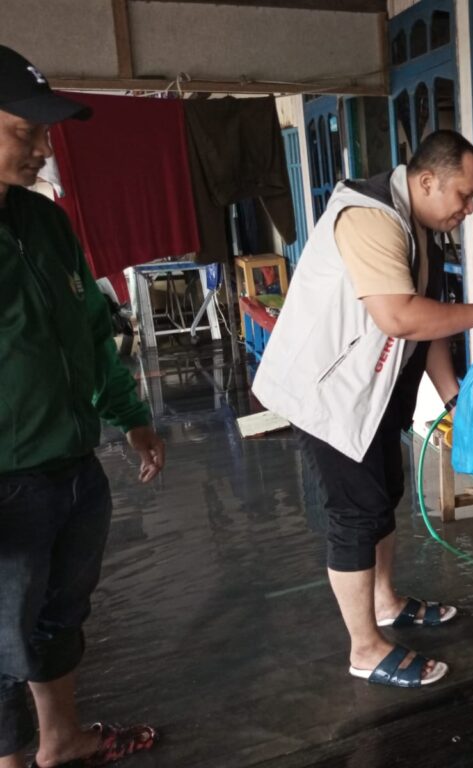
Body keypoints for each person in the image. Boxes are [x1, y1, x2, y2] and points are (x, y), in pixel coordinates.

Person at [253, 130, 473, 689]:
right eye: (465, 195)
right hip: (329, 395)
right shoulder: (370, 216)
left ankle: (385, 603)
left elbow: (429, 325)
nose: (469, 210)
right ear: (428, 181)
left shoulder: (423, 231)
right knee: (356, 514)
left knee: (384, 495)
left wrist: (453, 397)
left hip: (372, 393)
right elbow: (399, 317)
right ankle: (365, 648)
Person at [0, 46, 166, 768]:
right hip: (5, 482)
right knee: (0, 639)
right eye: (24, 130)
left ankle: (60, 739)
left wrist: (131, 416)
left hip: (71, 467)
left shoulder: (44, 222)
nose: (43, 147)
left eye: (43, 132)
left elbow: (92, 334)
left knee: (61, 614)